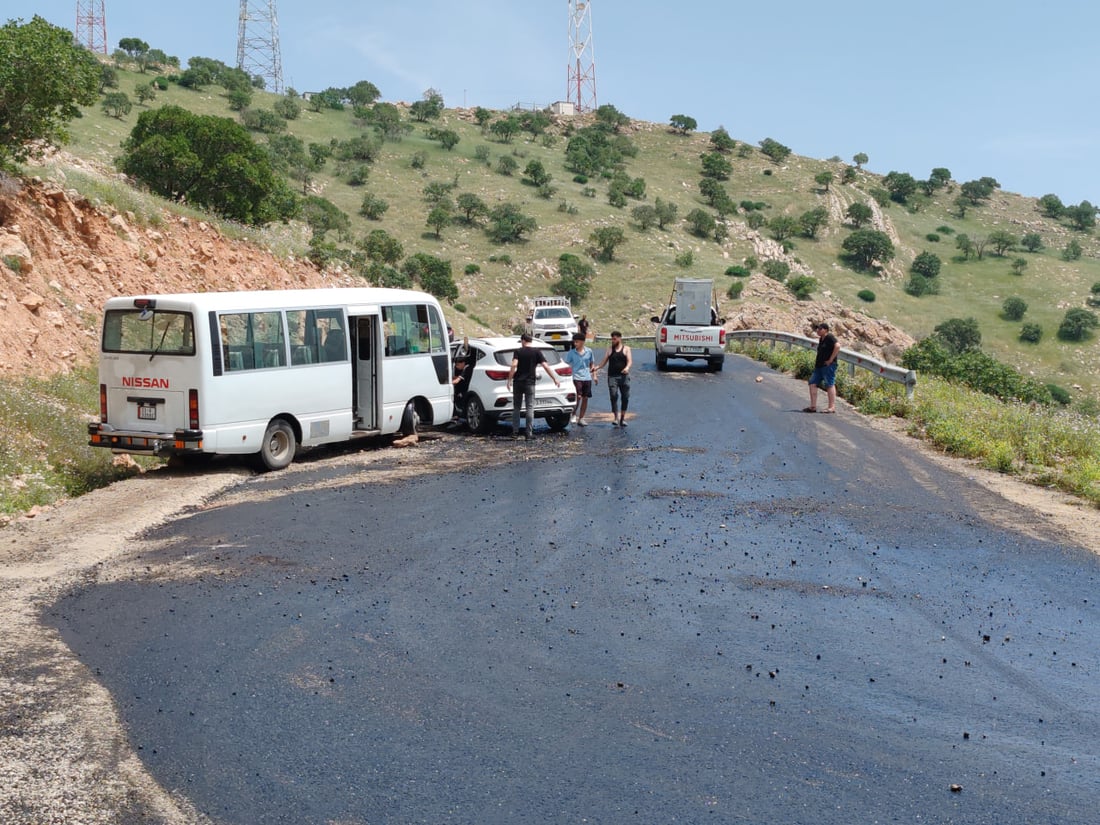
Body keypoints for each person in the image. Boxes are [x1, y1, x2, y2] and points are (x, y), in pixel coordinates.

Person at [507, 333, 560, 440]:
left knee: (516, 408)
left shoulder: (518, 351)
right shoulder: (537, 352)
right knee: (529, 407)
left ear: (523, 340)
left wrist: (509, 380)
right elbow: (545, 366)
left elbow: (513, 365)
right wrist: (554, 378)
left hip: (518, 382)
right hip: (530, 382)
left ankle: (515, 432)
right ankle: (528, 433)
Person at [594, 330, 632, 427]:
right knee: (613, 395)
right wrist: (597, 367)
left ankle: (622, 418)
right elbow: (604, 361)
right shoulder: (610, 349)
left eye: (615, 339)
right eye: (612, 339)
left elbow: (630, 361)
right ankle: (616, 417)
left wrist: (627, 368)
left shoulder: (626, 349)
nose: (613, 341)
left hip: (624, 376)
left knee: (625, 397)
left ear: (619, 338)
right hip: (612, 376)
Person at [805, 322, 840, 414]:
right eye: (817, 328)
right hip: (819, 366)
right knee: (812, 383)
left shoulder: (829, 337)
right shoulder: (821, 339)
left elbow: (837, 346)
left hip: (828, 366)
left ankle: (831, 407)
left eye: (820, 329)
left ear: (826, 330)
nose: (818, 330)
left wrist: (830, 360)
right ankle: (813, 406)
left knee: (829, 384)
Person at [563, 332, 596, 426]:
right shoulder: (571, 353)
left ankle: (581, 418)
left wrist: (594, 375)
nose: (575, 344)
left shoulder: (589, 351)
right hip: (576, 377)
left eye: (577, 342)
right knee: (578, 397)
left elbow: (591, 363)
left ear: (582, 342)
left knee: (585, 398)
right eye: (574, 342)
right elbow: (567, 364)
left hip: (587, 378)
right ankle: (573, 413)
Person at [451, 352, 472, 417]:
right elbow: (457, 377)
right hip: (464, 389)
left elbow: (457, 381)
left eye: (457, 365)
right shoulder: (465, 367)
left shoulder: (467, 369)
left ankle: (457, 414)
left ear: (463, 363)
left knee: (454, 398)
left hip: (465, 390)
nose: (456, 367)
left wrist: (447, 383)